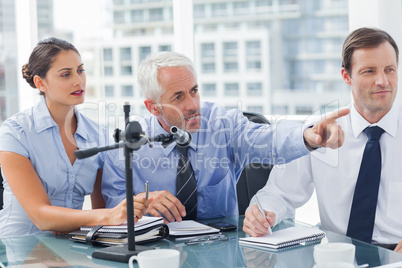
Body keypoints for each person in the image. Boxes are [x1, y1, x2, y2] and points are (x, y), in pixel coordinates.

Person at [102, 51, 349, 223]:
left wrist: (307, 136)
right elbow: (112, 206)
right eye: (178, 97)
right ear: (153, 107)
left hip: (221, 253)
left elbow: (267, 139)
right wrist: (140, 202)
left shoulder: (221, 124)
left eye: (194, 91)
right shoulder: (130, 144)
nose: (192, 105)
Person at [243, 27, 402, 254]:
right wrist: (262, 214)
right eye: (369, 71)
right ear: (346, 76)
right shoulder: (320, 131)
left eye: (390, 69)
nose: (383, 81)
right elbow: (277, 193)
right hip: (336, 254)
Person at [0, 37, 147, 236]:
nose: (78, 81)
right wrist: (108, 216)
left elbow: (101, 210)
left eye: (80, 70)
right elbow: (40, 216)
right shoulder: (15, 132)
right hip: (18, 248)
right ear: (40, 83)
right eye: (66, 74)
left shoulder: (99, 134)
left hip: (70, 248)